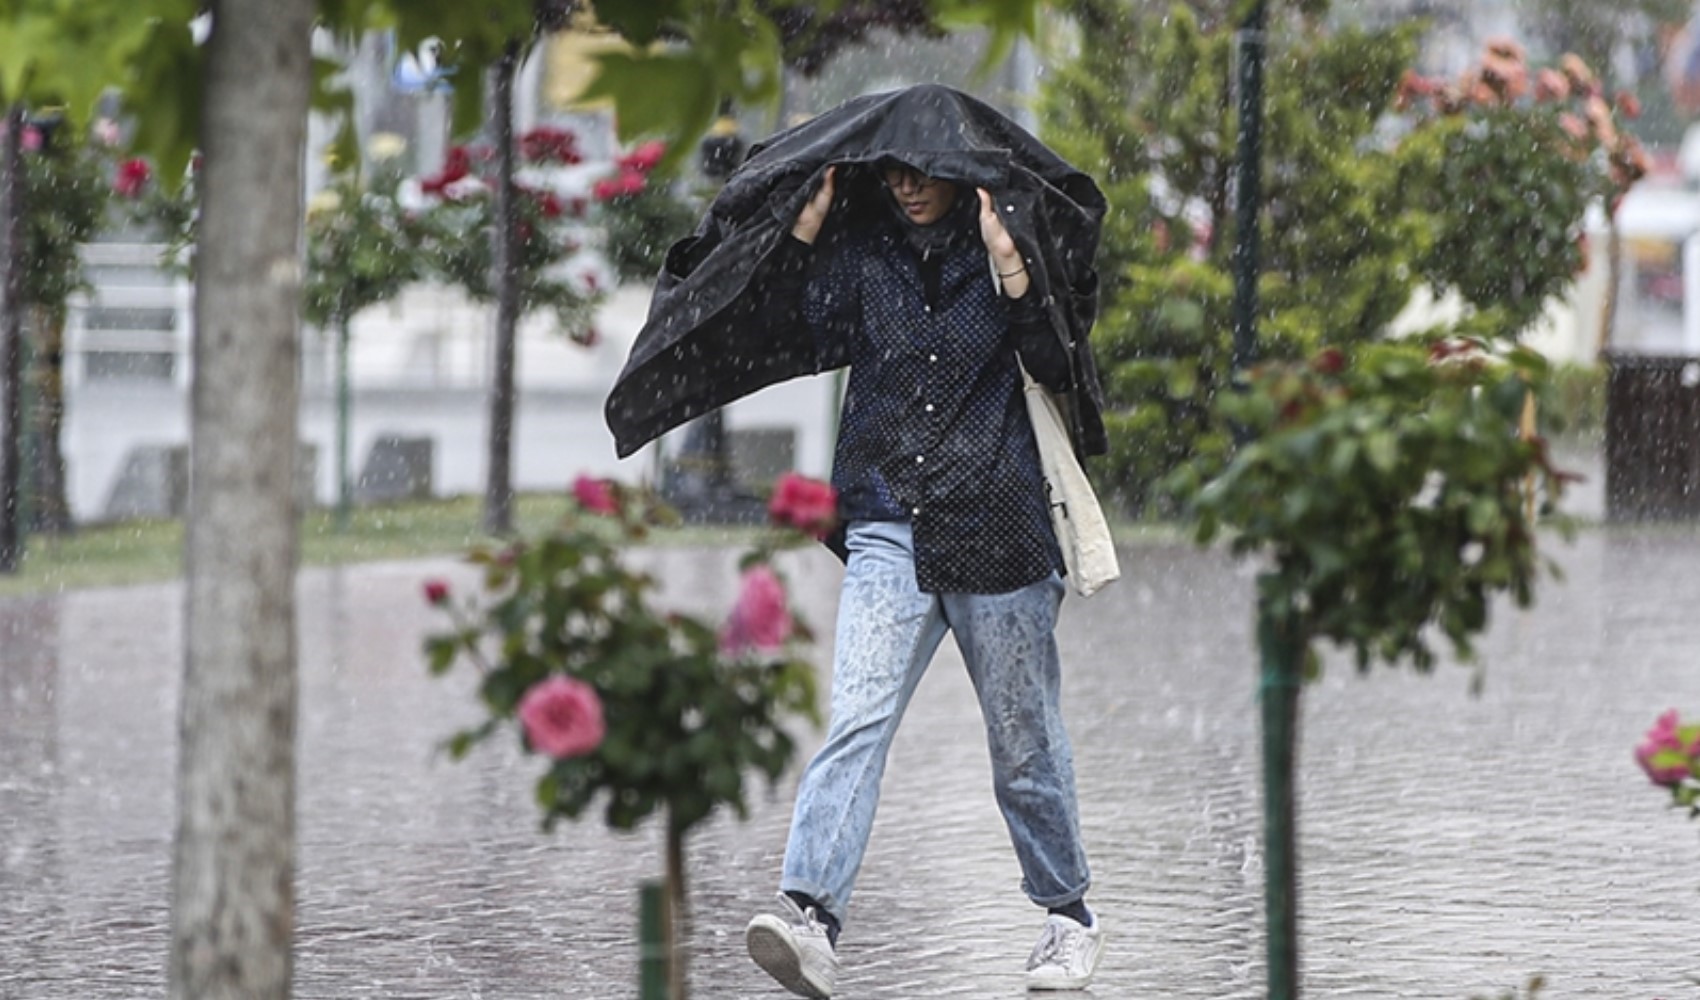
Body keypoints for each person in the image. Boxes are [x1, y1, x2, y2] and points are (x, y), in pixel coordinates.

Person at [735, 156, 1103, 999]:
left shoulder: (1007, 249)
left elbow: (1058, 361)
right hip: (887, 524)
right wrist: (806, 225)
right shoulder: (863, 255)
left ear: (962, 174)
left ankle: (1068, 916)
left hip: (1001, 530)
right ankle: (810, 918)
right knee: (857, 716)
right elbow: (786, 332)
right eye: (894, 172)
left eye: (924, 172)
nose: (907, 186)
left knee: (1023, 741)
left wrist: (1009, 260)